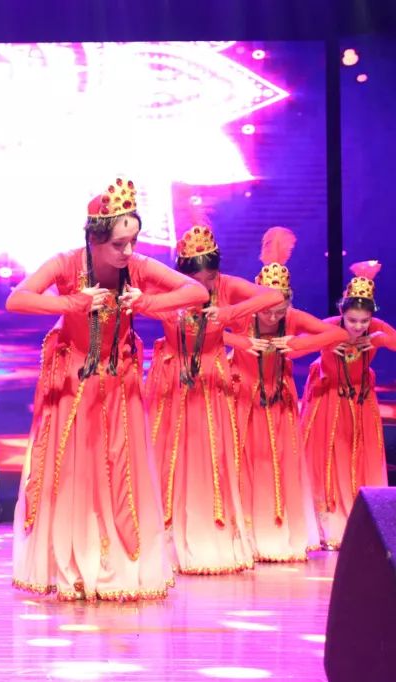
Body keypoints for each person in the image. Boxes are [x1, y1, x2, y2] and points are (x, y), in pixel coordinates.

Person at [7, 177, 208, 601]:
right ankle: (73, 560)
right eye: (119, 244)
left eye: (133, 241)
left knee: (119, 470)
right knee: (73, 471)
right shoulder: (66, 264)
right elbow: (18, 299)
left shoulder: (137, 268)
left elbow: (196, 291)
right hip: (74, 379)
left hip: (118, 381)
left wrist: (147, 303)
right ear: (95, 239)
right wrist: (72, 303)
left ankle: (117, 563)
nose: (128, 251)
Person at [145, 224, 283, 574]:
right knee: (169, 453)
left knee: (210, 454)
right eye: (195, 280)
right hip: (173, 377)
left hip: (210, 380)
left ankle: (210, 534)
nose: (202, 287)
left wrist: (228, 314)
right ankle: (164, 538)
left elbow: (273, 297)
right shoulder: (169, 286)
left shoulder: (226, 286)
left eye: (208, 279)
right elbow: (137, 296)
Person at [225, 227, 343, 562]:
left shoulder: (290, 318)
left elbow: (335, 334)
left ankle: (276, 532)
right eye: (268, 310)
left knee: (276, 463)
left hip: (278, 401)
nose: (273, 317)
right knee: (245, 462)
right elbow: (210, 329)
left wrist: (296, 345)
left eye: (279, 310)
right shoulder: (243, 315)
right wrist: (242, 342)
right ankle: (244, 534)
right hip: (244, 397)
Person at [302, 261, 396, 548]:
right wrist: (329, 341)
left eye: (364, 321)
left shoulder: (374, 329)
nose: (358, 327)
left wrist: (379, 338)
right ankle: (326, 523)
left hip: (359, 401)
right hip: (328, 398)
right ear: (342, 313)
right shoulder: (330, 325)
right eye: (352, 320)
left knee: (358, 456)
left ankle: (359, 522)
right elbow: (299, 342)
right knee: (327, 457)